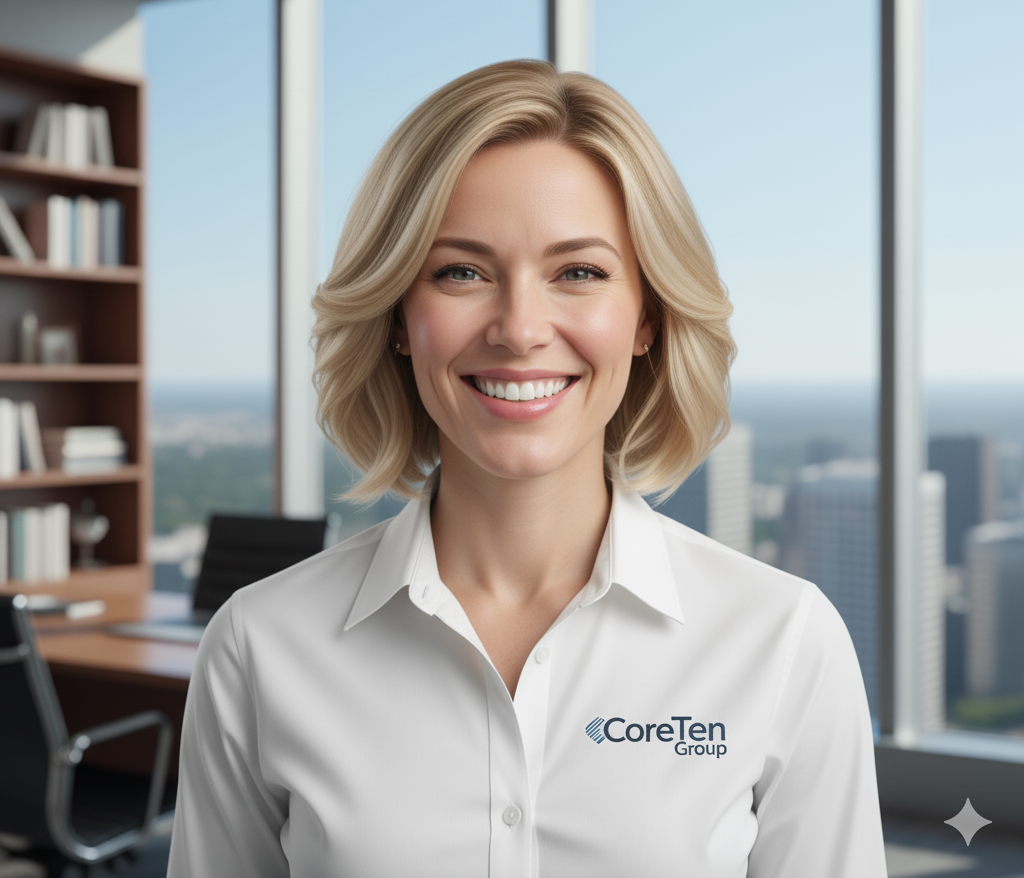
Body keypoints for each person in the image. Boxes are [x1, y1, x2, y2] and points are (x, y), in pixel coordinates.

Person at [167, 60, 886, 877]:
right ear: (399, 317)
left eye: (579, 272)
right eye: (460, 272)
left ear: (646, 318)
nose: (519, 328)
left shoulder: (784, 640)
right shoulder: (259, 646)